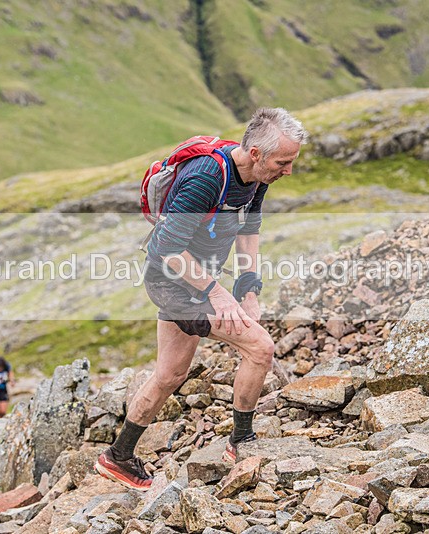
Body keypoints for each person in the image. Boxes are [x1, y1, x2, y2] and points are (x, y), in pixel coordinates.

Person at [95, 108, 308, 490]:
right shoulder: (206, 178)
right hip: (172, 283)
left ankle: (118, 456)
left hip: (198, 282)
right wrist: (218, 294)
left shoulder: (257, 177)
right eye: (283, 162)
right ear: (256, 153)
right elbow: (165, 248)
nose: (288, 171)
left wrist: (248, 288)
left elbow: (249, 229)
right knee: (260, 348)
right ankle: (240, 443)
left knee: (169, 375)